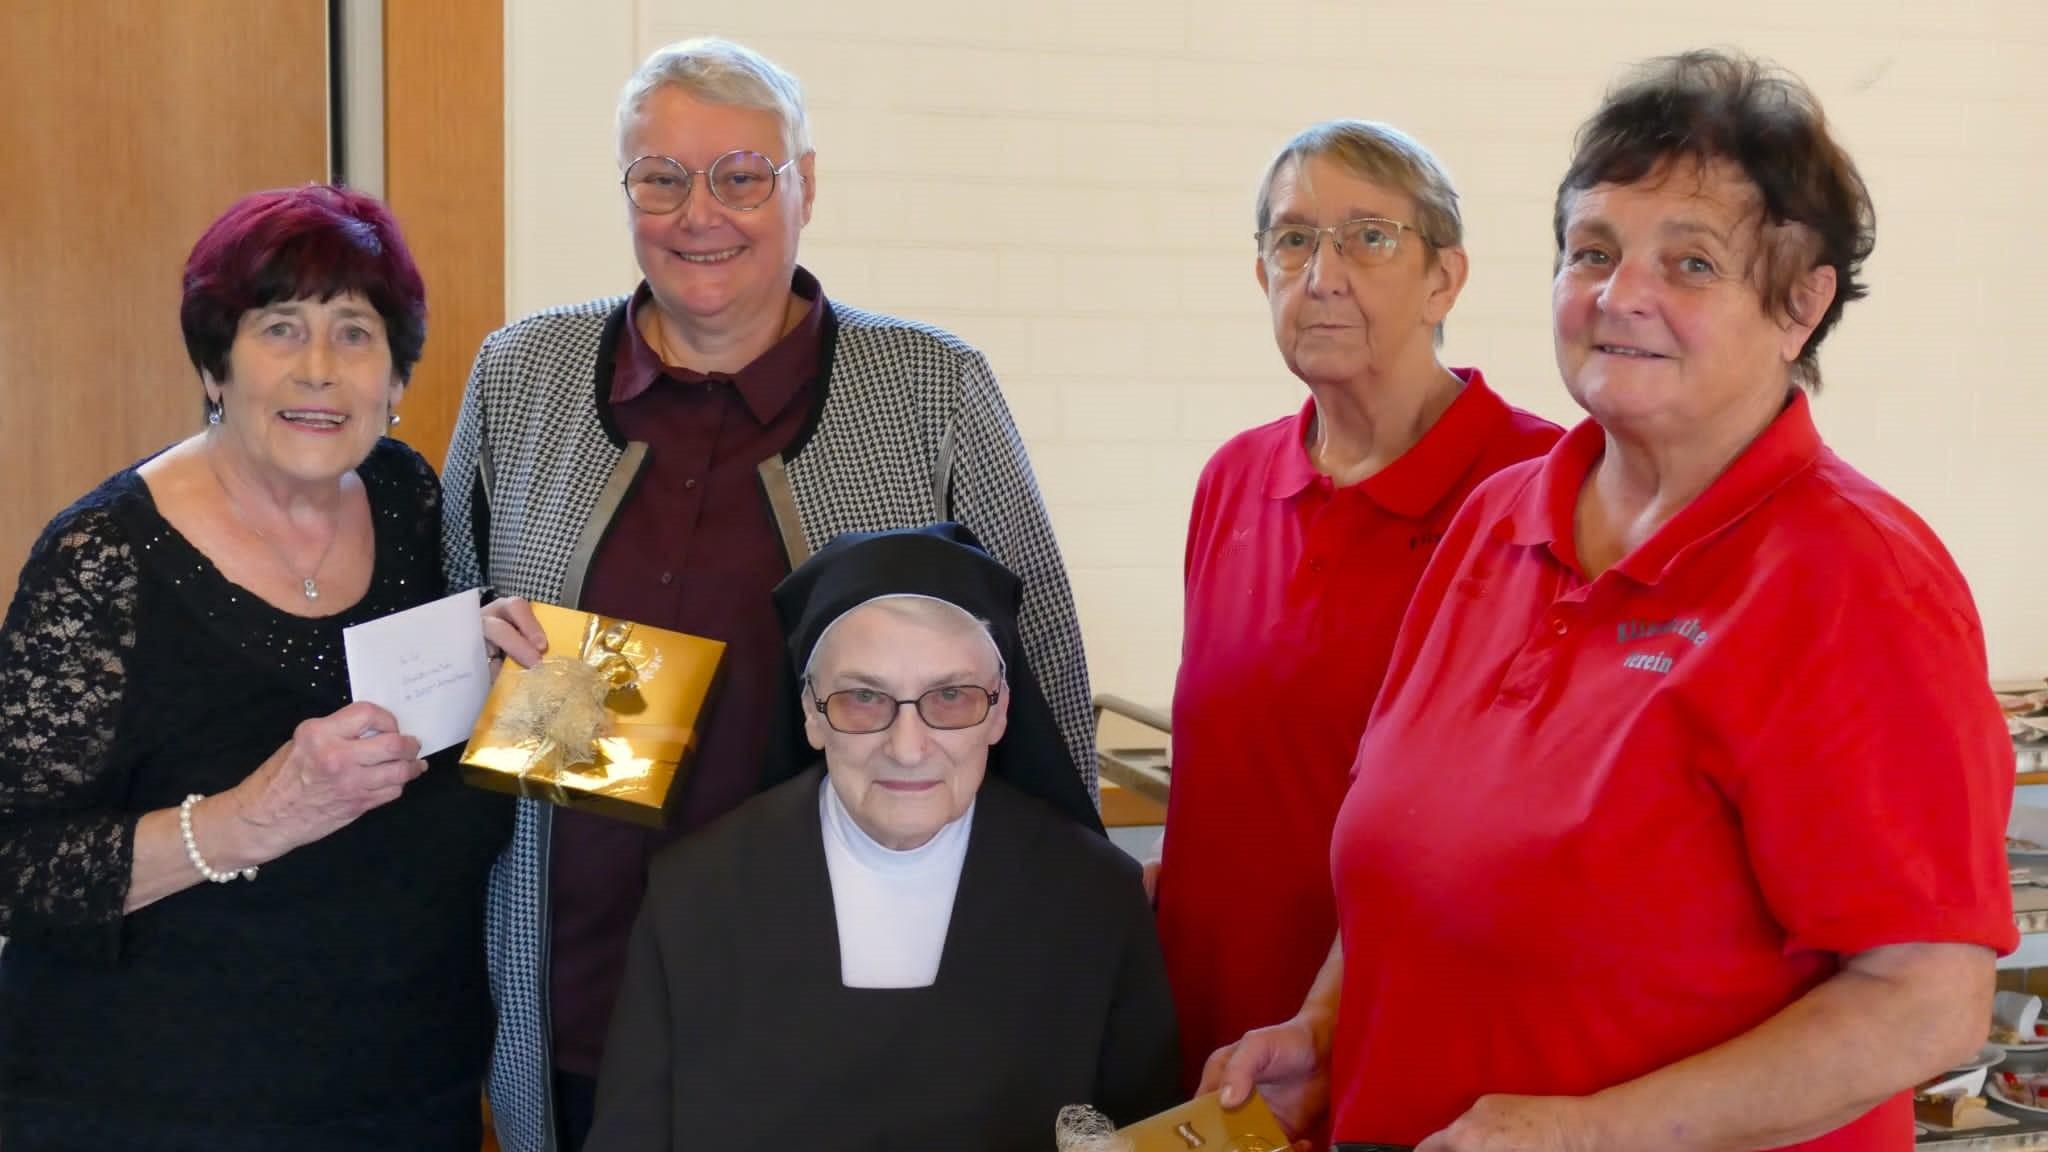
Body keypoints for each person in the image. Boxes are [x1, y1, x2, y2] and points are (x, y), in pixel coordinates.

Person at [1204, 50, 2016, 1151]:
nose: (1617, 295)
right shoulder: (1496, 523)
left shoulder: (1851, 578)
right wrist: (1328, 1027)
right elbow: (1413, 856)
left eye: (1688, 263)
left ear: (1799, 302)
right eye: (1590, 250)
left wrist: (1590, 1133)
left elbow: (1922, 1001)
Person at [441, 37, 1095, 1152]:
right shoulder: (523, 374)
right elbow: (449, 634)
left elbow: (1042, 685)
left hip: (846, 998)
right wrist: (479, 657)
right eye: (660, 178)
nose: (701, 213)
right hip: (577, 983)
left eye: (742, 175)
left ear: (804, 184)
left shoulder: (930, 385)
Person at [0, 185, 536, 1150]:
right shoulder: (102, 558)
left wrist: (493, 655)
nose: (319, 371)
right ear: (215, 364)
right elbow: (18, 865)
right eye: (279, 329)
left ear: (397, 375)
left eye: (356, 333)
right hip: (151, 1104)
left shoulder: (410, 498)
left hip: (408, 1089)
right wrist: (255, 817)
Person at [1154, 120, 1560, 1097]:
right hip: (1211, 1042)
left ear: (1443, 279)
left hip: (1408, 1046)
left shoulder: (1537, 488)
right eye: (1292, 241)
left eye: (1367, 237)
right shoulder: (1233, 479)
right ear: (1261, 276)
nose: (1321, 275)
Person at [584, 524, 1175, 1152]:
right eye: (864, 698)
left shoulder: (1095, 897)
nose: (908, 746)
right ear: (812, 712)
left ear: (1001, 711)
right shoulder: (695, 891)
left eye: (951, 696)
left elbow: (1144, 1131)